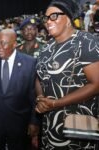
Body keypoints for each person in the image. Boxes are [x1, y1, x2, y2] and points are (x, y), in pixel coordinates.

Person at [36, 0, 99, 149]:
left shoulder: (86, 41)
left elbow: (96, 84)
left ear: (69, 19)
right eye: (46, 17)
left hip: (80, 126)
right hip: (51, 125)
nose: (48, 21)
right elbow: (39, 77)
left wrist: (56, 103)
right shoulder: (46, 48)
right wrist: (40, 99)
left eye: (54, 16)